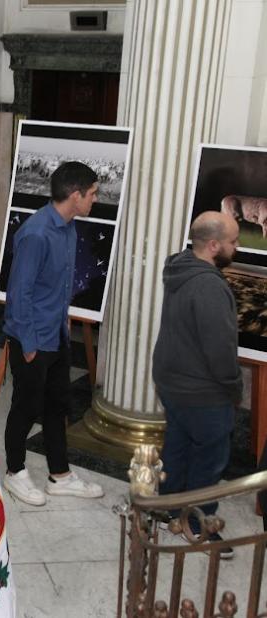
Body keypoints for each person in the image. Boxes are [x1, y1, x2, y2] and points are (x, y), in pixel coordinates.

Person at [2, 161, 105, 506]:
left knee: (57, 404)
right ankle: (14, 472)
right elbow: (19, 293)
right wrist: (29, 345)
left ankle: (59, 475)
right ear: (75, 195)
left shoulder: (68, 226)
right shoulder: (36, 233)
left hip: (57, 333)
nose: (94, 199)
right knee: (25, 407)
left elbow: (55, 285)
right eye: (91, 194)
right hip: (31, 338)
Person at [152, 210, 242, 558]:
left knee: (176, 446)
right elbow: (220, 351)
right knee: (209, 460)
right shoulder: (208, 286)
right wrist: (234, 386)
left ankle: (168, 511)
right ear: (214, 245)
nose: (237, 248)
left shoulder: (180, 267)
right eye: (233, 242)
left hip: (172, 383)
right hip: (202, 391)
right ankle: (197, 525)